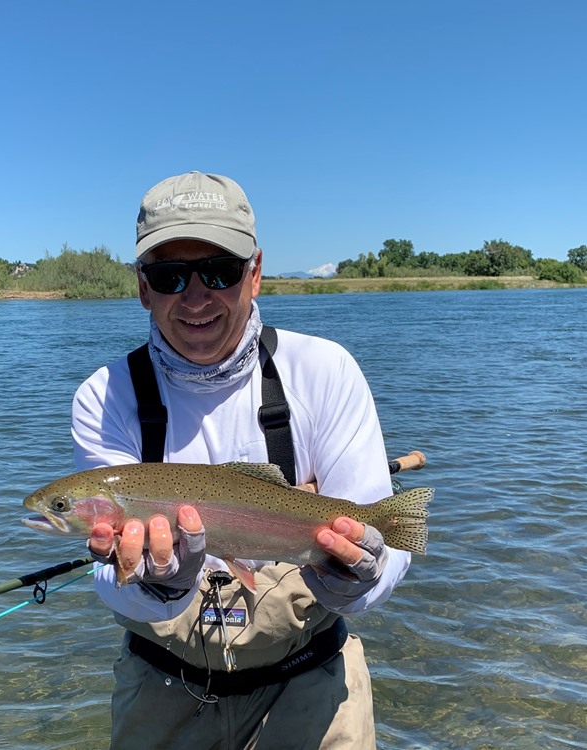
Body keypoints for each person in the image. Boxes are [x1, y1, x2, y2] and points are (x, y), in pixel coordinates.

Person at [71, 171, 411, 750]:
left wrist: (358, 577)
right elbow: (111, 576)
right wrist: (157, 586)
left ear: (254, 275)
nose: (196, 297)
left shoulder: (324, 371)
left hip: (311, 686)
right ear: (142, 288)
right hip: (162, 684)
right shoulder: (104, 398)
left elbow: (392, 551)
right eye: (170, 275)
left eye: (220, 272)